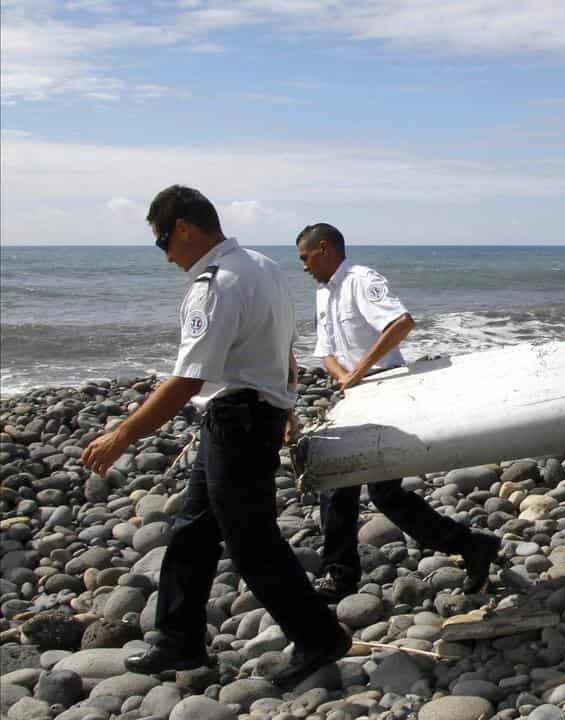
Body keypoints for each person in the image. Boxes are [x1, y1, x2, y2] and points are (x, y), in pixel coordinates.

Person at [83, 186, 350, 687]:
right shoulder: (263, 268)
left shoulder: (217, 282)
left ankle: (318, 635)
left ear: (183, 227)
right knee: (193, 530)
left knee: (251, 542)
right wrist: (285, 402)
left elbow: (187, 381)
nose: (166, 257)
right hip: (246, 414)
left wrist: (123, 434)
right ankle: (178, 637)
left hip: (238, 419)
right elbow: (281, 345)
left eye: (163, 242)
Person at [296, 223, 500, 601]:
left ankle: (342, 574)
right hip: (354, 393)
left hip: (385, 386)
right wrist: (344, 378)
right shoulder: (323, 293)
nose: (304, 266)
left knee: (376, 490)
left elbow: (401, 323)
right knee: (348, 486)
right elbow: (325, 349)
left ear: (324, 249)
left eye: (305, 258)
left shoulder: (361, 280)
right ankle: (343, 573)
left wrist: (358, 372)